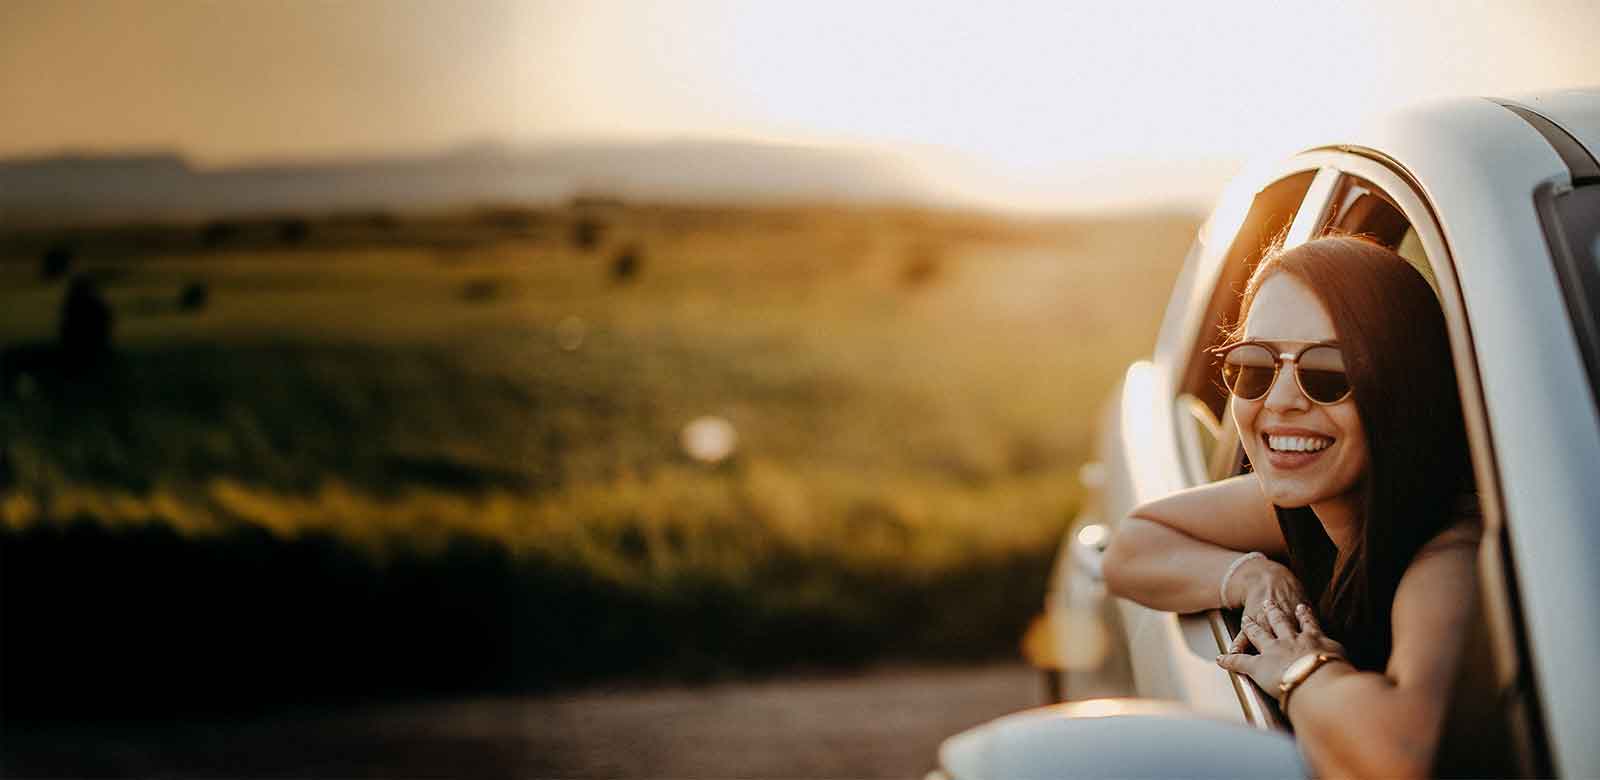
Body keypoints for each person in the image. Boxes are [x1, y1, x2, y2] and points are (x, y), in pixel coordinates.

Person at [1101, 235, 1481, 779]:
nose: (1279, 399)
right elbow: (1130, 548)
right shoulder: (1312, 499)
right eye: (1254, 366)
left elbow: (1398, 757)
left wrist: (1299, 668)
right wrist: (1249, 576)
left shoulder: (1451, 556)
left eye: (1329, 373)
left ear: (1405, 388)